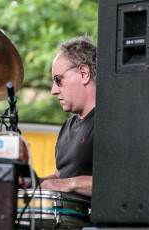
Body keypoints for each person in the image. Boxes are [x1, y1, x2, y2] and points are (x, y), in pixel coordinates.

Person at [39, 36, 96, 197]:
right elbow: (59, 177)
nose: (53, 90)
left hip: (91, 221)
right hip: (64, 221)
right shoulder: (67, 126)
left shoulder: (110, 120)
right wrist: (36, 182)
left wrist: (71, 184)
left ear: (84, 73)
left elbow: (116, 181)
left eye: (58, 80)